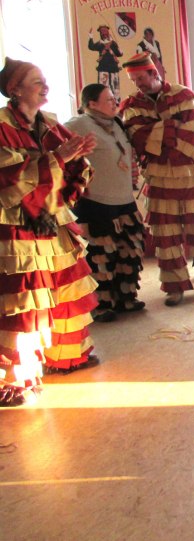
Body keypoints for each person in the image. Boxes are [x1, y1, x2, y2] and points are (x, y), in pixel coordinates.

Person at [0, 58, 99, 405]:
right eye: (36, 82)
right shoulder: (0, 125)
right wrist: (57, 158)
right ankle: (15, 379)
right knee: (25, 299)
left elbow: (71, 163)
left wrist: (74, 158)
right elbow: (8, 174)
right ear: (14, 89)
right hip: (16, 225)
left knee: (66, 286)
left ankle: (68, 355)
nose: (45, 87)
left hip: (52, 218)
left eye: (45, 81)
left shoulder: (50, 123)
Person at [119, 52, 194, 306]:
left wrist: (158, 132)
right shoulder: (132, 105)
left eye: (141, 78)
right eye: (133, 80)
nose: (138, 84)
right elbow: (140, 139)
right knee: (166, 235)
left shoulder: (184, 95)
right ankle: (175, 286)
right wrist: (172, 127)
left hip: (192, 175)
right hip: (159, 179)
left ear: (154, 73)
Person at [66, 84, 145, 322]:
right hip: (95, 202)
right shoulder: (79, 124)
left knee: (128, 250)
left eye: (114, 98)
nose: (115, 102)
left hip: (124, 200)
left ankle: (124, 298)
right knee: (101, 255)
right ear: (91, 104)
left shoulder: (117, 124)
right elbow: (56, 144)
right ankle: (101, 305)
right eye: (109, 99)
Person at [87, 24, 124, 101]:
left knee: (115, 87)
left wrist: (120, 51)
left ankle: (116, 102)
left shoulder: (113, 43)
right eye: (101, 32)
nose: (103, 33)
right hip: (103, 68)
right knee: (103, 87)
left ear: (108, 32)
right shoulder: (100, 44)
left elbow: (118, 54)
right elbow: (91, 47)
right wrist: (90, 36)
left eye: (105, 31)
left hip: (113, 68)